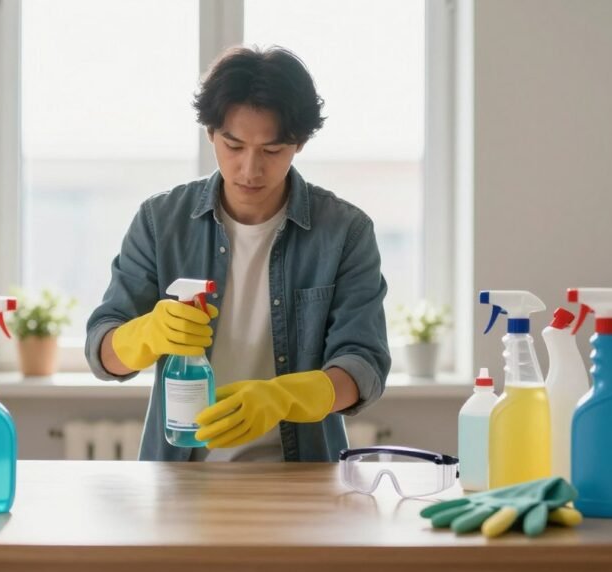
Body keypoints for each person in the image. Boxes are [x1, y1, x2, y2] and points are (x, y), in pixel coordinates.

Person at [85, 45, 390, 462]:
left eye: (271, 150)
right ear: (210, 132)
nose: (250, 169)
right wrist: (146, 335)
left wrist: (284, 397)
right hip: (180, 476)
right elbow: (104, 355)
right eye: (233, 145)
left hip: (302, 478)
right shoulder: (161, 221)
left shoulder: (345, 231)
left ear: (298, 144)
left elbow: (364, 366)